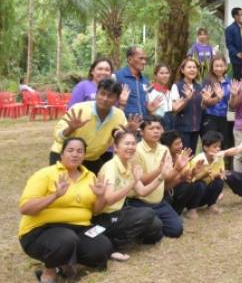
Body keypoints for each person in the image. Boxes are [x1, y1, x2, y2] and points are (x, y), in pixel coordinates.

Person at [19, 138, 112, 283]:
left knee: (102, 248)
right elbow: (25, 208)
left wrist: (100, 196)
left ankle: (65, 264)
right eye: (70, 150)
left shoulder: (90, 176)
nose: (75, 154)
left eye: (79, 151)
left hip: (79, 228)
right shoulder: (45, 174)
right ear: (61, 154)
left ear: (84, 155)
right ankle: (49, 272)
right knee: (66, 239)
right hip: (42, 230)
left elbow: (95, 210)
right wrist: (55, 196)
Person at [94, 131, 165, 261]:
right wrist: (132, 183)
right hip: (105, 216)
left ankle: (121, 236)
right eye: (127, 144)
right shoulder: (111, 167)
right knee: (148, 213)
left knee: (156, 227)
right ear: (116, 147)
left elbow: (142, 191)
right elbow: (109, 199)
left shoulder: (129, 165)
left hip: (120, 211)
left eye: (133, 144)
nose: (131, 147)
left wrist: (161, 175)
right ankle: (114, 246)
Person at [49, 79, 141, 174]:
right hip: (64, 155)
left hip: (91, 158)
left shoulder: (119, 116)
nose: (105, 99)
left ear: (117, 100)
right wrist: (70, 129)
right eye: (102, 94)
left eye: (110, 96)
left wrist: (129, 133)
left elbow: (119, 140)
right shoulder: (79, 109)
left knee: (98, 181)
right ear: (96, 94)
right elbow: (58, 137)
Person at [127, 116, 186, 238]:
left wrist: (178, 169)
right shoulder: (135, 151)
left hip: (159, 201)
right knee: (154, 232)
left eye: (158, 128)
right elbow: (141, 181)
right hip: (139, 202)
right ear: (141, 132)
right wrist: (159, 170)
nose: (156, 131)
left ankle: (154, 222)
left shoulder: (164, 149)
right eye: (151, 128)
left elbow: (166, 178)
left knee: (176, 230)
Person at [160, 131, 203, 219]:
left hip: (176, 185)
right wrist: (178, 169)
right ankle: (172, 213)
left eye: (180, 142)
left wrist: (194, 172)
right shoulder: (162, 158)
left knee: (196, 185)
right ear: (167, 147)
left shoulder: (183, 155)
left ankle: (179, 212)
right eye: (177, 144)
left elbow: (187, 177)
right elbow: (166, 181)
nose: (180, 146)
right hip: (165, 188)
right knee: (184, 186)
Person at [170, 58, 206, 151]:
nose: (192, 70)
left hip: (196, 128)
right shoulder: (177, 86)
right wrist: (186, 99)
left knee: (192, 154)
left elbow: (202, 107)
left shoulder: (199, 87)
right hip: (182, 129)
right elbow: (175, 108)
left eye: (194, 67)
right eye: (189, 67)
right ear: (182, 70)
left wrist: (206, 100)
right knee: (183, 154)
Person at [188, 131, 226, 215]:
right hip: (193, 195)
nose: (218, 149)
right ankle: (191, 209)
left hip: (205, 193)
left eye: (219, 146)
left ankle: (211, 205)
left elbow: (220, 173)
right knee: (200, 184)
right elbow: (191, 180)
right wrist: (205, 174)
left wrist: (220, 175)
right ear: (205, 147)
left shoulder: (219, 158)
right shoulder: (197, 160)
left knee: (219, 182)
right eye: (215, 146)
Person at [201, 55, 233, 149]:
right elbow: (206, 102)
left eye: (221, 66)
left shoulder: (228, 82)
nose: (219, 68)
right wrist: (218, 98)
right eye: (216, 66)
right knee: (210, 144)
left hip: (223, 117)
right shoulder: (208, 80)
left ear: (226, 67)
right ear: (212, 67)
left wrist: (235, 95)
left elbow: (230, 102)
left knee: (222, 145)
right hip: (210, 117)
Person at [115, 46, 150, 117]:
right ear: (130, 59)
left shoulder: (145, 81)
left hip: (144, 122)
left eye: (145, 59)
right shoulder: (117, 77)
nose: (144, 62)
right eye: (141, 58)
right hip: (124, 122)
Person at [147, 64, 173, 130]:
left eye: (167, 73)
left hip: (170, 120)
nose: (165, 75)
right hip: (158, 121)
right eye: (161, 73)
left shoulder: (168, 91)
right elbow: (150, 110)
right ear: (155, 75)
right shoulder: (150, 90)